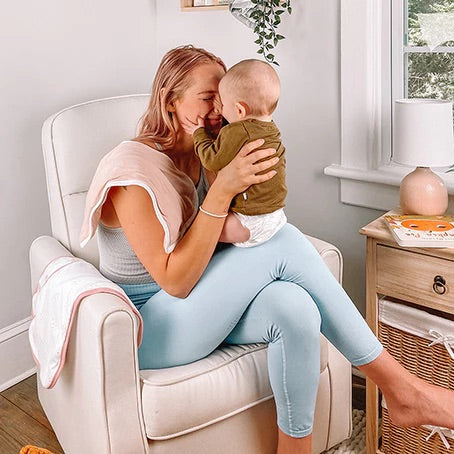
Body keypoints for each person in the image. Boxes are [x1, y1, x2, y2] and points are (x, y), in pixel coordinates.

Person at [91, 45, 454, 454]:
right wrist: (224, 188)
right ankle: (401, 389)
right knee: (283, 242)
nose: (218, 110)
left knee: (295, 307)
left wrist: (228, 169)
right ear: (169, 100)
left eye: (221, 98)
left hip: (198, 305)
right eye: (207, 98)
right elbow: (175, 281)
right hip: (148, 328)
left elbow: (239, 226)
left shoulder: (205, 151)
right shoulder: (132, 173)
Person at [182, 59, 287, 247]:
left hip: (248, 220)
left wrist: (199, 133)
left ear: (239, 110)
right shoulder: (271, 129)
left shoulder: (236, 131)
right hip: (276, 215)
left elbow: (212, 160)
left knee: (197, 229)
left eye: (222, 104)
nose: (219, 110)